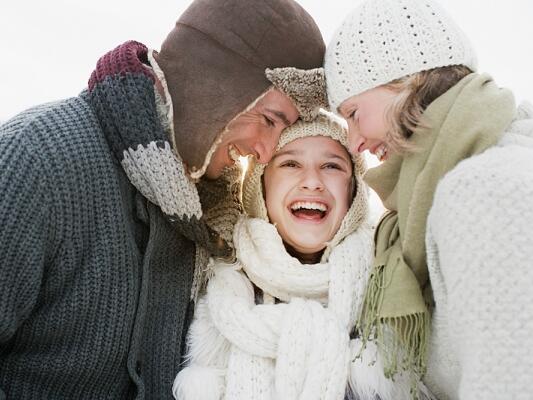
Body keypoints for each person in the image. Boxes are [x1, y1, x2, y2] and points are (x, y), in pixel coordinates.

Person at [0, 0, 326, 398]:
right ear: (216, 82)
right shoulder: (35, 160)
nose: (266, 151)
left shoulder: (213, 213)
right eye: (269, 120)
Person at [324, 0, 533, 398]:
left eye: (353, 113)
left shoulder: (483, 189)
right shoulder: (439, 194)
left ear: (406, 81)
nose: (354, 142)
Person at [172, 114, 423, 400]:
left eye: (331, 166)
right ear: (261, 187)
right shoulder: (211, 283)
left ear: (353, 192)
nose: (312, 182)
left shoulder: (391, 285)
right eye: (290, 164)